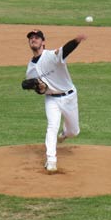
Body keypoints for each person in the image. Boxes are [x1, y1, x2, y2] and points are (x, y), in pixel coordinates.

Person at [24, 29, 87, 172]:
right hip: (51, 99)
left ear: (43, 42)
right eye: (31, 38)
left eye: (37, 38)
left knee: (74, 132)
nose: (33, 39)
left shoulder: (51, 56)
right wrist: (40, 89)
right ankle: (51, 161)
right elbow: (40, 91)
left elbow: (66, 50)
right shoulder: (30, 70)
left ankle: (64, 134)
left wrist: (76, 40)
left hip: (69, 96)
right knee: (52, 126)